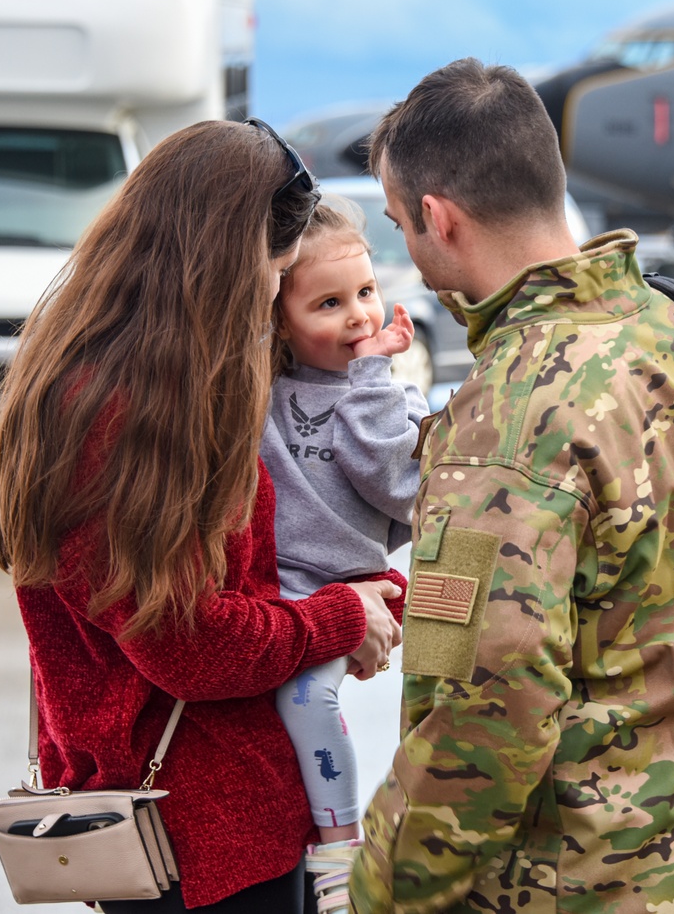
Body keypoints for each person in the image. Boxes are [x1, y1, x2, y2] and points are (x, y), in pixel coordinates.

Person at [349, 58, 674, 913]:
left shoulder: (501, 418)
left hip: (573, 884)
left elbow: (485, 706)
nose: (410, 246)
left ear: (439, 217)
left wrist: (383, 890)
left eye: (400, 224)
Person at [0, 118, 402, 913]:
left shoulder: (93, 372)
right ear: (231, 261)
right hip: (206, 835)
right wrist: (338, 618)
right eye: (274, 270)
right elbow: (190, 645)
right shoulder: (130, 417)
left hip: (185, 820)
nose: (274, 292)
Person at [260, 197, 428, 911]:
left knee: (306, 699)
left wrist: (370, 381)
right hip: (274, 588)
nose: (360, 316)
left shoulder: (393, 397)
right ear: (279, 320)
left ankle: (340, 850)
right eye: (328, 302)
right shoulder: (259, 393)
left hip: (340, 590)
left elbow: (395, 482)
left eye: (366, 291)